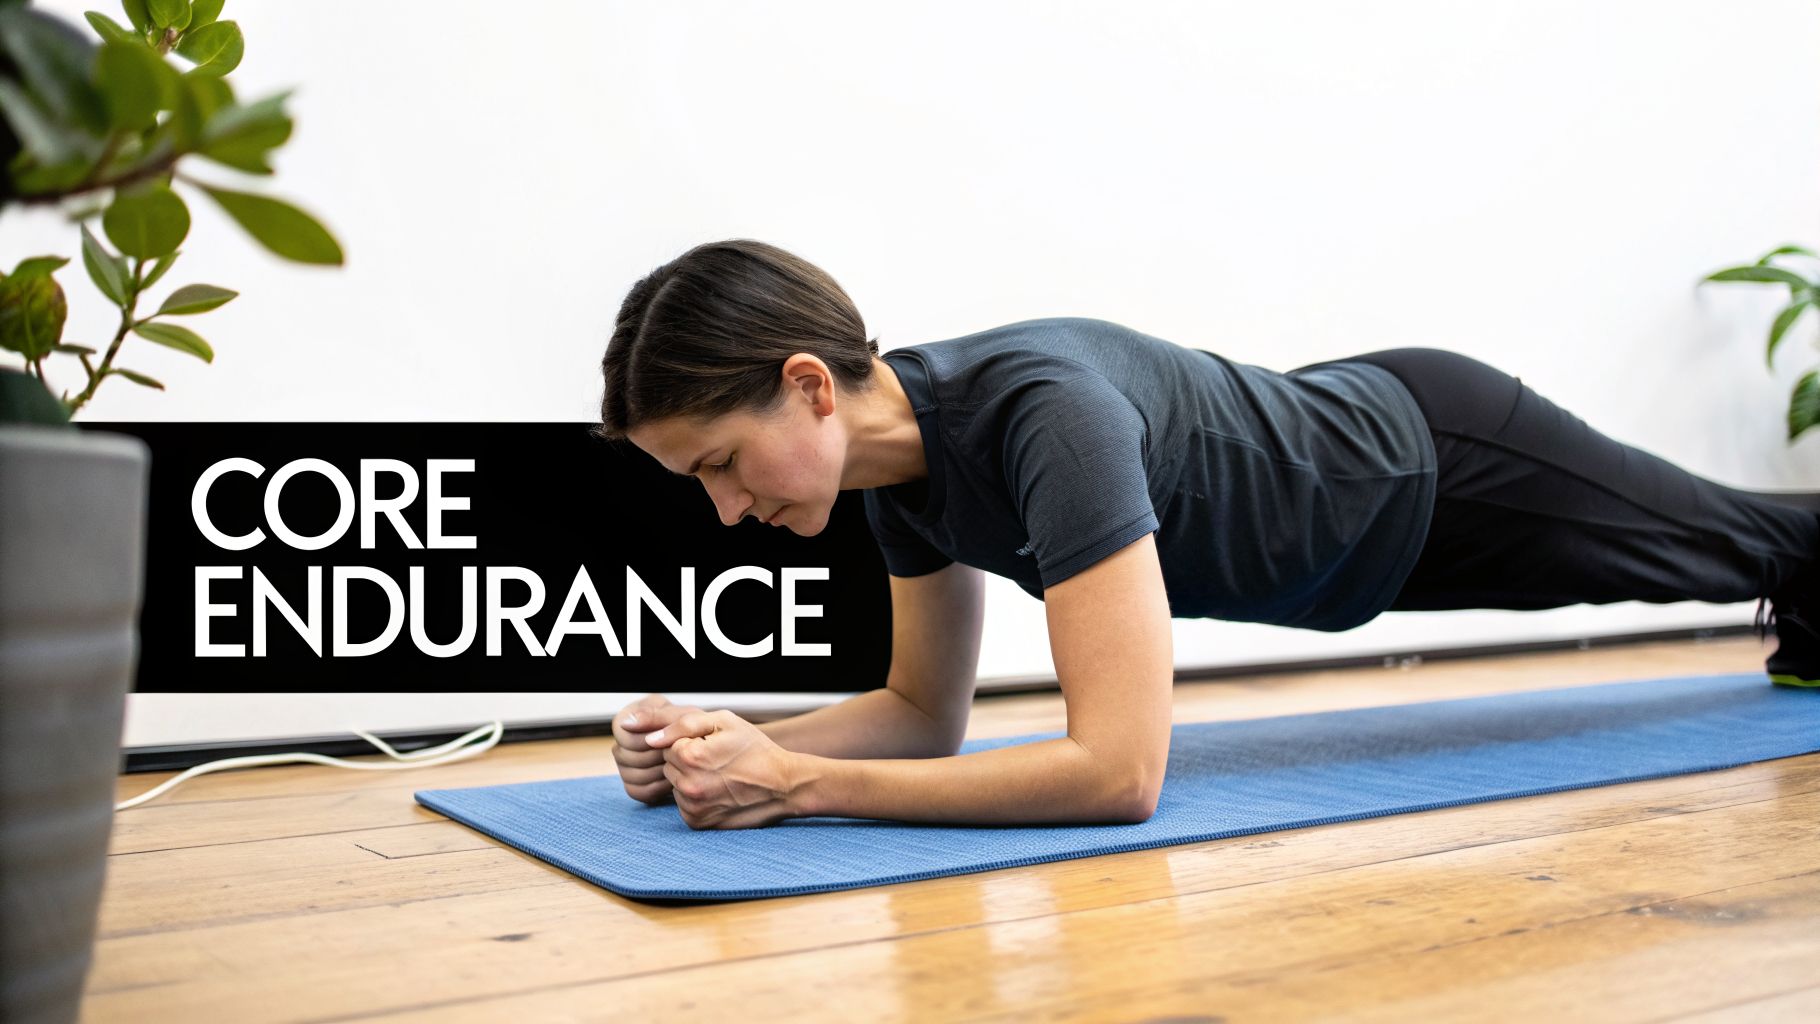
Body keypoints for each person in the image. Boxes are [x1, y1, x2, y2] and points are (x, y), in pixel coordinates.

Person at [592, 238, 1820, 831]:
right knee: (1732, 543)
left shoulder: (1040, 417)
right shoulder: (892, 479)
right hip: (1357, 524)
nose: (724, 509)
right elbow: (924, 715)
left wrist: (801, 784)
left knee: (1731, 543)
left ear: (809, 384)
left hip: (1434, 465)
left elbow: (1118, 773)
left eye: (718, 464)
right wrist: (736, 741)